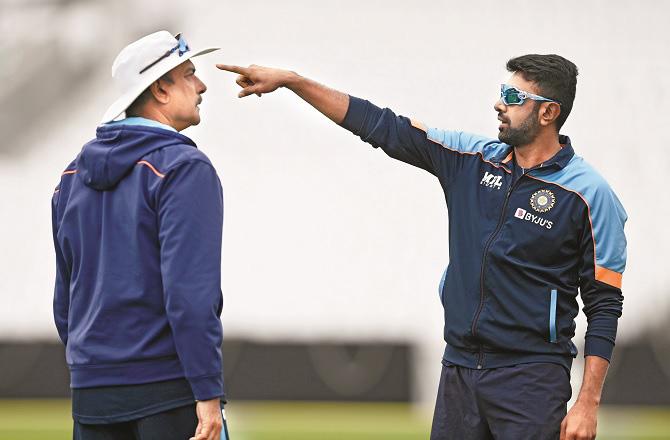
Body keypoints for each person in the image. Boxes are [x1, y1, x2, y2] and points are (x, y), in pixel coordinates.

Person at [216, 54, 627, 440]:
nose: (499, 104)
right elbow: (382, 126)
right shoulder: (471, 159)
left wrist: (587, 402)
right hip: (459, 372)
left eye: (513, 97)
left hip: (530, 379)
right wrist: (294, 82)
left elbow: (604, 304)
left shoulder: (589, 194)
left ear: (548, 112)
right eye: (502, 92)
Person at [52, 31, 228, 440]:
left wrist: (94, 371)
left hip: (92, 395)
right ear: (160, 89)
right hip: (167, 392)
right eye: (189, 74)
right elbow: (190, 295)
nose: (201, 86)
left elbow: (66, 299)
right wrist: (207, 388)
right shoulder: (184, 168)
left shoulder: (70, 177)